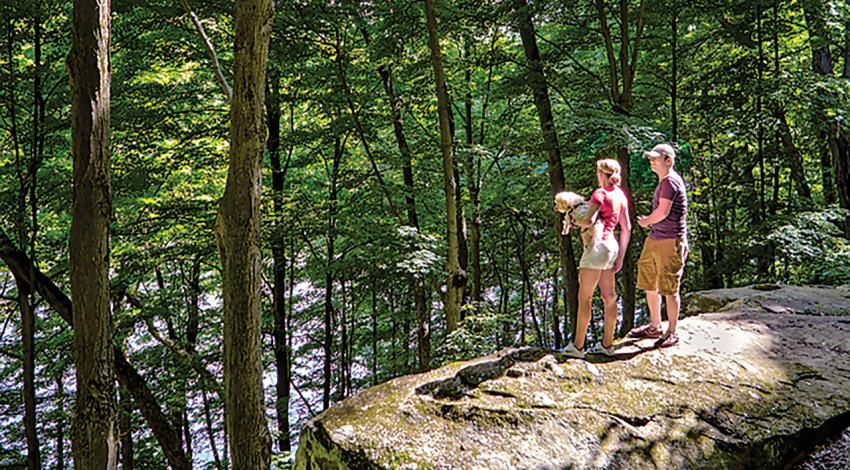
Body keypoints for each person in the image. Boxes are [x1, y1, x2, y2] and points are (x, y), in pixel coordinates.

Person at [561, 159, 631, 358]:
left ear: (601, 174)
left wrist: (573, 220)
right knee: (610, 298)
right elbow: (626, 228)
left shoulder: (599, 194)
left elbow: (589, 220)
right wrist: (621, 257)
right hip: (612, 247)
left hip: (596, 248)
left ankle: (578, 347)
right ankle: (607, 345)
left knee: (585, 298)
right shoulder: (620, 195)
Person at [628, 143, 688, 348]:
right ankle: (655, 326)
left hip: (670, 240)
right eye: (650, 158)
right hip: (656, 238)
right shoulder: (664, 181)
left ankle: (671, 332)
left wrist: (646, 222)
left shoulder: (670, 182)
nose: (651, 161)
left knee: (669, 288)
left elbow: (663, 212)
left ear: (668, 161)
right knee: (649, 282)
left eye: (655, 158)